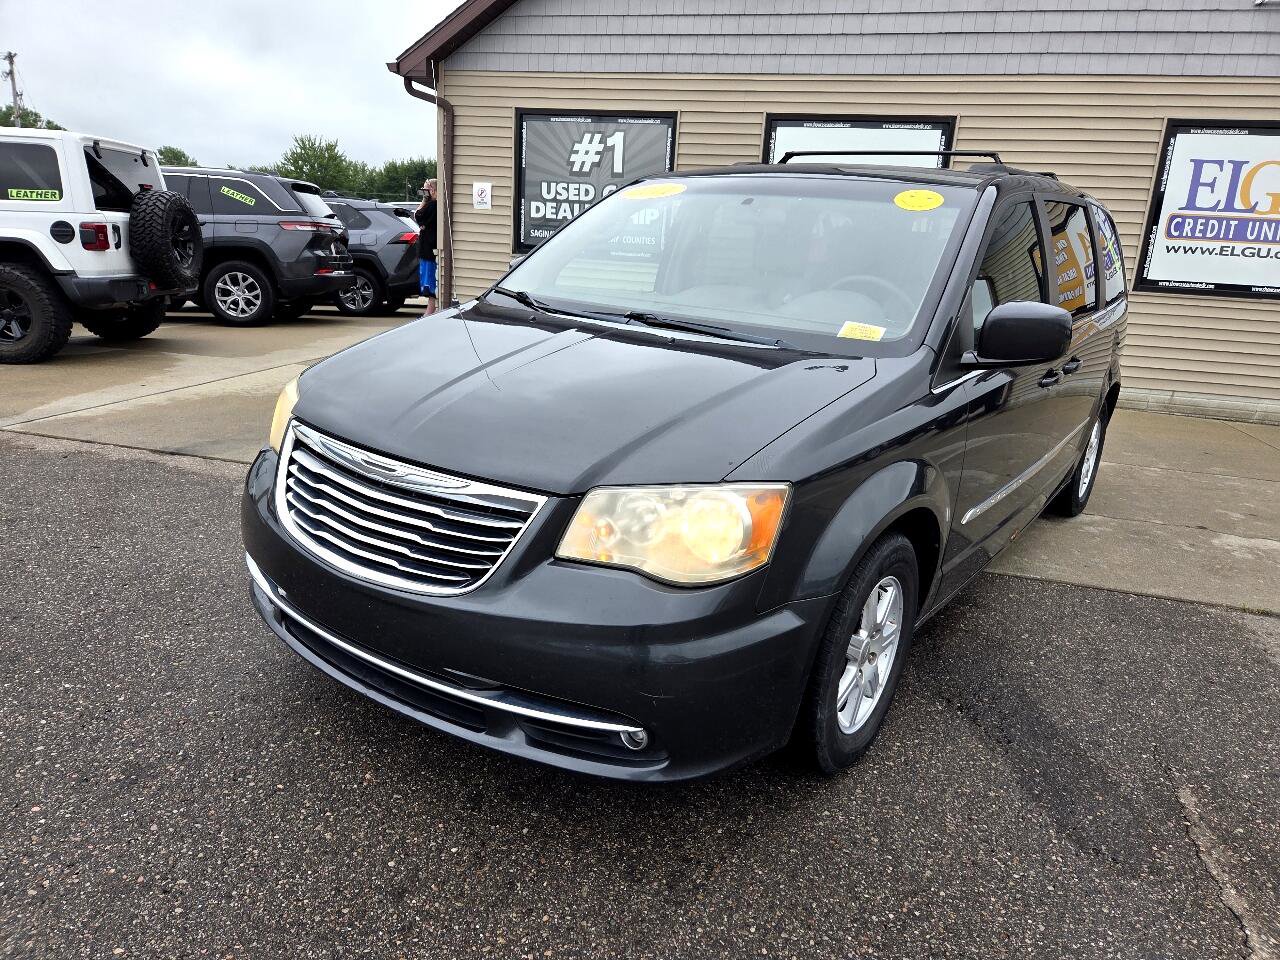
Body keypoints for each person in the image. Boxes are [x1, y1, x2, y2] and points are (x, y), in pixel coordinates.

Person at [414, 179, 438, 315]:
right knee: (429, 283)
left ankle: (429, 313)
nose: (424, 193)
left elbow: (417, 215)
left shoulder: (432, 205)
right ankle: (430, 312)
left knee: (430, 285)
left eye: (425, 190)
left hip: (429, 252)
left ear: (433, 191)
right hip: (428, 251)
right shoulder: (432, 206)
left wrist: (425, 200)